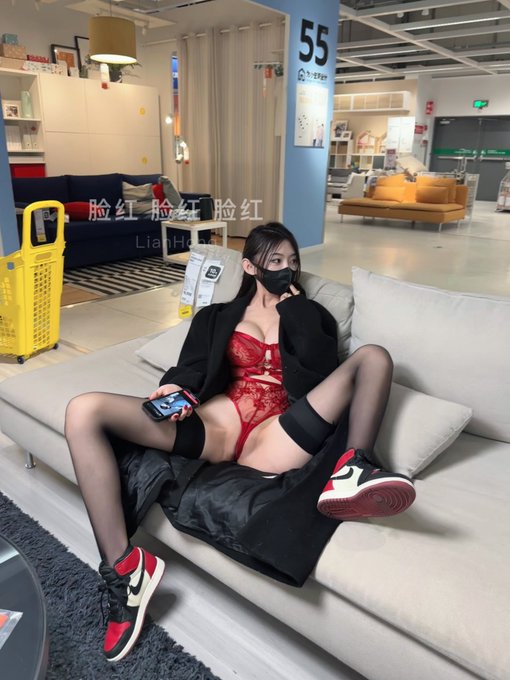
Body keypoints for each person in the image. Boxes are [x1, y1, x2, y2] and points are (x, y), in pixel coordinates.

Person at [65, 222, 415, 662]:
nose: (287, 269)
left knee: (375, 357)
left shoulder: (311, 315)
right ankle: (125, 570)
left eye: (293, 261)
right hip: (219, 428)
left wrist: (297, 312)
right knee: (84, 410)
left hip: (277, 435)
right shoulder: (216, 317)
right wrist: (174, 389)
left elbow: (317, 378)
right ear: (250, 267)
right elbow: (192, 368)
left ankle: (353, 468)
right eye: (275, 261)